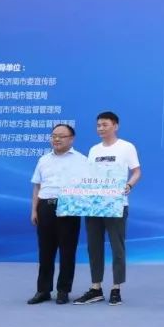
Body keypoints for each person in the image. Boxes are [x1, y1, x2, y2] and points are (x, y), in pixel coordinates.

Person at [74, 111, 141, 306]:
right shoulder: (94, 150)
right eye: (98, 125)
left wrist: (129, 185)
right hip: (94, 204)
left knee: (117, 246)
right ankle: (96, 288)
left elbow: (137, 172)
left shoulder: (126, 147)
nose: (100, 128)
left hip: (116, 204)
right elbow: (89, 176)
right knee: (94, 246)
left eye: (104, 125)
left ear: (115, 126)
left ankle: (116, 288)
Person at [27, 124, 86, 305]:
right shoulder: (44, 160)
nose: (57, 139)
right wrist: (34, 210)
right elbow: (37, 186)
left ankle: (63, 290)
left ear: (71, 139)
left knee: (67, 251)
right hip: (46, 206)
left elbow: (88, 186)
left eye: (61, 136)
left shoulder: (82, 160)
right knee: (45, 250)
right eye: (53, 136)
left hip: (69, 206)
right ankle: (43, 290)